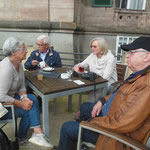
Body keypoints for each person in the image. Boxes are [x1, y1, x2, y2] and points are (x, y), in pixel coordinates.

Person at [53, 36, 150, 150]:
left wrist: (93, 122)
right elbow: (120, 94)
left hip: (117, 137)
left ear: (147, 56)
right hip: (112, 117)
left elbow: (121, 123)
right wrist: (102, 100)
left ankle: (75, 138)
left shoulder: (145, 85)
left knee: (67, 127)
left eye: (132, 52)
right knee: (85, 107)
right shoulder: (139, 76)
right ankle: (78, 141)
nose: (127, 55)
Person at [0, 37, 53, 148]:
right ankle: (29, 136)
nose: (27, 51)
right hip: (2, 108)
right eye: (23, 48)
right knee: (29, 108)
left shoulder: (18, 63)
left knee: (31, 99)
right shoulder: (6, 68)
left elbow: (21, 84)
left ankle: (36, 134)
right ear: (13, 52)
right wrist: (21, 103)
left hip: (10, 99)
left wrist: (24, 97)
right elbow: (1, 96)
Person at [72, 37, 117, 120]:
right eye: (91, 46)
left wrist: (90, 78)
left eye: (94, 46)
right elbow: (83, 64)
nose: (92, 48)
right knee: (85, 86)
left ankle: (84, 111)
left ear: (102, 47)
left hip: (109, 83)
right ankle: (87, 111)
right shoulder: (92, 55)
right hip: (94, 81)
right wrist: (78, 67)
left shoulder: (110, 57)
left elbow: (105, 77)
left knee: (97, 89)